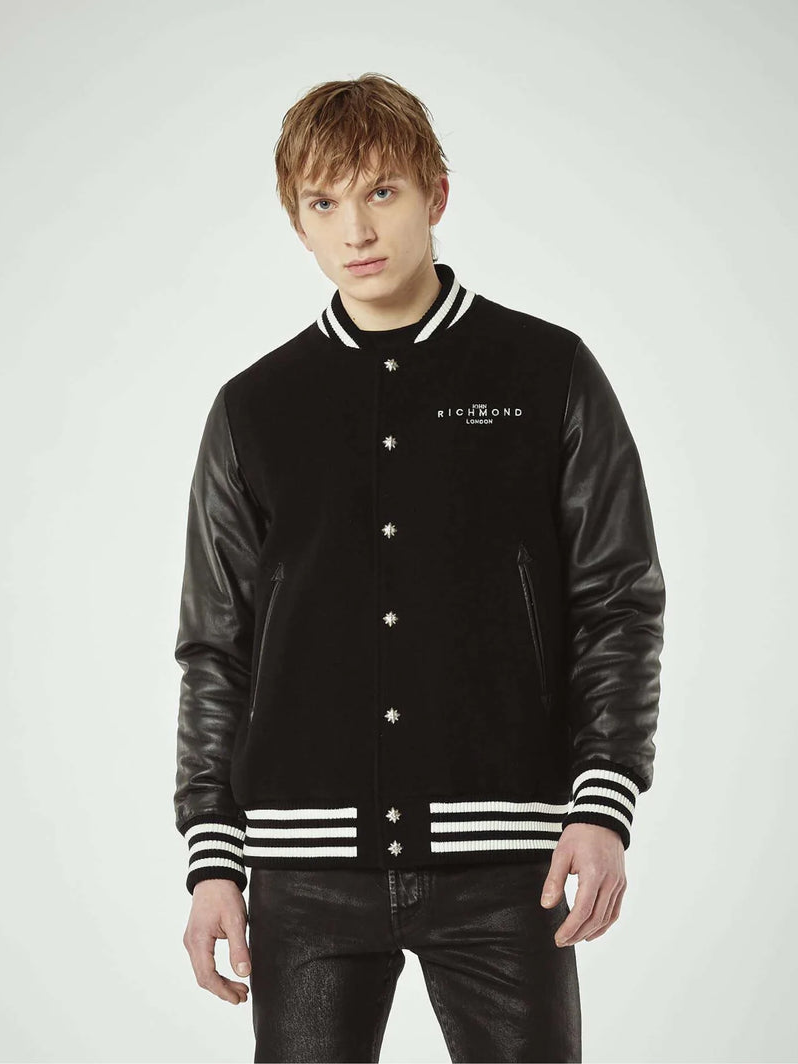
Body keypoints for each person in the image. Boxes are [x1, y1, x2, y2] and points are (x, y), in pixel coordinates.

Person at [173, 72, 666, 1063]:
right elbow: (216, 647)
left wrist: (603, 799)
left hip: (506, 862)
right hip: (304, 871)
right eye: (323, 203)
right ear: (298, 224)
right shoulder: (254, 408)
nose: (356, 229)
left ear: (435, 194)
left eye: (381, 192)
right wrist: (212, 858)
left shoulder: (545, 373)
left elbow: (617, 599)